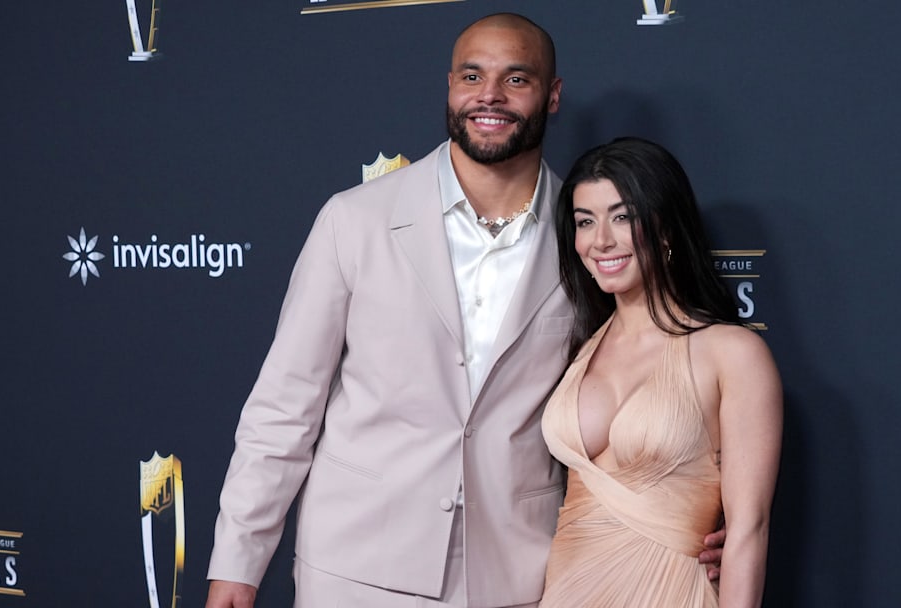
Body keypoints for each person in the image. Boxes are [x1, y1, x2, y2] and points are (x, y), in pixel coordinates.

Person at [206, 14, 723, 608]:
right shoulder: (354, 220)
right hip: (355, 567)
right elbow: (283, 409)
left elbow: (658, 381)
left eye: (517, 79)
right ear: (449, 85)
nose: (490, 97)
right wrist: (237, 566)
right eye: (472, 76)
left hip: (520, 571)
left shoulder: (590, 238)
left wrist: (702, 514)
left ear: (552, 96)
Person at [538, 137, 782, 607]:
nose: (601, 239)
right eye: (585, 221)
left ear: (666, 228)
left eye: (622, 216)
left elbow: (750, 528)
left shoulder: (732, 353)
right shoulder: (576, 349)